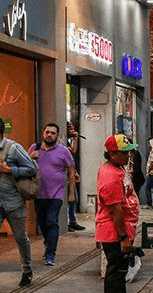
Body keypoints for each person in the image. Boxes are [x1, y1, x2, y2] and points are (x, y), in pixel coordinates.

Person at [96, 134, 139, 293]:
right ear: (112, 154)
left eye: (128, 152)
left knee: (119, 272)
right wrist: (123, 238)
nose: (128, 155)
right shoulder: (110, 176)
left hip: (122, 229)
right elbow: (116, 210)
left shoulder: (117, 168)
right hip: (114, 233)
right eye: (124, 152)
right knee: (116, 273)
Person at [29, 123, 76, 266]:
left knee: (52, 222)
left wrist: (71, 193)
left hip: (56, 194)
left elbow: (71, 172)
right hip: (38, 193)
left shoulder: (63, 151)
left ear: (57, 135)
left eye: (53, 133)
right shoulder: (34, 148)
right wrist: (31, 158)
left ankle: (51, 254)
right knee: (42, 223)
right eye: (47, 132)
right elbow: (24, 167)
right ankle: (48, 243)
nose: (49, 135)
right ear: (43, 134)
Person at [0, 118, 36, 287]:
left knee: (21, 238)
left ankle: (27, 270)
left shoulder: (13, 148)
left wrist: (10, 170)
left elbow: (31, 169)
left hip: (13, 202)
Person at [66, 122, 85, 232]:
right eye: (70, 128)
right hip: (65, 175)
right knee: (69, 199)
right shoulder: (63, 141)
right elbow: (71, 151)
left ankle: (72, 221)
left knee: (74, 199)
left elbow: (73, 151)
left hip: (71, 173)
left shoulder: (68, 140)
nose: (72, 130)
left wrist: (75, 138)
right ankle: (68, 222)